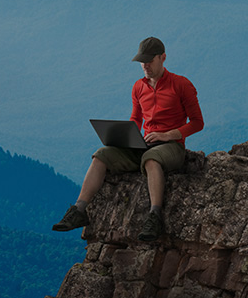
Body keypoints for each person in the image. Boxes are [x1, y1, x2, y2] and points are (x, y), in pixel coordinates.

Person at [52, 36, 204, 242]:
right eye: (142, 61)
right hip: (144, 144)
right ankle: (79, 210)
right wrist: (124, 136)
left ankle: (155, 216)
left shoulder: (181, 85)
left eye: (150, 60)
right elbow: (136, 119)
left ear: (163, 57)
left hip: (171, 146)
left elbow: (197, 123)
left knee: (151, 159)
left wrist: (168, 135)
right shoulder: (138, 87)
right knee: (101, 155)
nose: (145, 65)